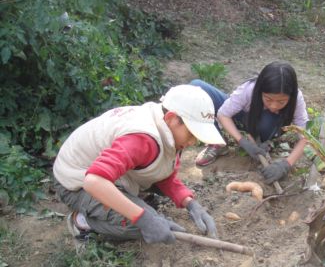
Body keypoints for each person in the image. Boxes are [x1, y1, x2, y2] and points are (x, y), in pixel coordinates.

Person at [53, 85, 225, 253]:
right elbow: (94, 181)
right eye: (191, 134)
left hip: (108, 172)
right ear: (172, 118)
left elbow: (163, 172)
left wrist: (190, 203)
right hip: (75, 182)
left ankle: (130, 201)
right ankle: (81, 222)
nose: (193, 142)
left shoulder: (165, 128)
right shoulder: (142, 139)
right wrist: (144, 219)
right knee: (139, 226)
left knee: (149, 216)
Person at [193, 61, 308, 184]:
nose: (274, 106)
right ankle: (217, 142)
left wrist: (286, 164)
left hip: (267, 124)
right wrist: (242, 141)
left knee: (267, 121)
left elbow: (305, 137)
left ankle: (261, 139)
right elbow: (223, 114)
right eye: (268, 99)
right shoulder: (249, 89)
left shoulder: (296, 99)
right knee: (196, 87)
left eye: (281, 102)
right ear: (260, 90)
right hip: (243, 116)